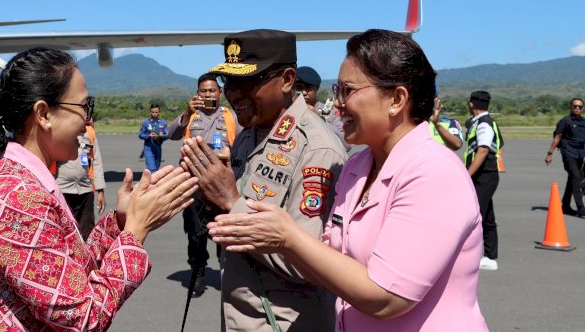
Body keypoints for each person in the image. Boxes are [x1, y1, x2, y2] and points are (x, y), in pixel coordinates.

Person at [206, 29, 487, 331]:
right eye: (337, 90)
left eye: (347, 91)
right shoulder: (358, 166)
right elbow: (329, 255)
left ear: (396, 99)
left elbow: (387, 297)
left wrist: (284, 235)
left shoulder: (433, 173)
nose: (336, 105)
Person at [0, 47, 198, 331]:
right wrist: (136, 232)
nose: (88, 121)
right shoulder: (16, 198)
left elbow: (65, 270)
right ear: (43, 114)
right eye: (84, 107)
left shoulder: (23, 179)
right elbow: (83, 318)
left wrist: (121, 223)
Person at [180, 29, 347, 331]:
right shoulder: (248, 134)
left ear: (286, 79)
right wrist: (207, 193)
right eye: (228, 82)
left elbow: (309, 263)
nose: (232, 94)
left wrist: (230, 200)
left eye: (246, 82)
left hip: (283, 322)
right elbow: (232, 221)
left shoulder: (316, 148)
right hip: (239, 315)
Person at [167, 73, 239, 298]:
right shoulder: (192, 116)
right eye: (203, 91)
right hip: (194, 185)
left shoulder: (230, 116)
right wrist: (187, 113)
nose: (208, 94)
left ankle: (227, 274)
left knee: (223, 232)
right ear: (198, 93)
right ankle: (197, 273)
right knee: (195, 234)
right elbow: (171, 134)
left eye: (212, 90)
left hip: (222, 186)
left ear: (220, 93)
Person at [465, 90, 503, 271]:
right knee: (487, 216)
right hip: (486, 174)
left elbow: (483, 150)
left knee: (474, 214)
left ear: (471, 104)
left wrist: (467, 174)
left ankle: (470, 255)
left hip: (484, 175)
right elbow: (499, 143)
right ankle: (490, 257)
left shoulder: (484, 124)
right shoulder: (486, 122)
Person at [56, 121, 107, 239]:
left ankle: (86, 256)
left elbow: (96, 161)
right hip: (61, 190)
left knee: (87, 231)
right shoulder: (58, 129)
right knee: (63, 230)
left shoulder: (89, 132)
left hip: (85, 189)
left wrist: (100, 190)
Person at [545, 98, 585, 217]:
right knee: (576, 178)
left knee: (572, 179)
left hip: (580, 154)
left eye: (580, 107)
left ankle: (565, 206)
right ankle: (581, 208)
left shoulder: (584, 122)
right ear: (571, 107)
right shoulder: (565, 121)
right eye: (575, 106)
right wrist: (549, 153)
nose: (577, 108)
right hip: (568, 153)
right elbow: (557, 137)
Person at [296, 65, 348, 148]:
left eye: (308, 88)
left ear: (317, 88)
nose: (304, 92)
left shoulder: (327, 109)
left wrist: (319, 118)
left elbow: (345, 143)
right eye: (299, 87)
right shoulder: (287, 110)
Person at [138, 104, 168, 172]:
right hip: (148, 148)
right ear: (150, 112)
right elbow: (140, 135)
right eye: (153, 112)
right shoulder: (145, 123)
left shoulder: (163, 123)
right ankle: (151, 181)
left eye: (156, 112)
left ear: (159, 112)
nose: (155, 114)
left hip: (158, 148)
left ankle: (152, 181)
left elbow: (167, 135)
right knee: (152, 168)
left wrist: (162, 135)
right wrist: (148, 136)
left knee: (156, 168)